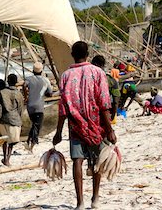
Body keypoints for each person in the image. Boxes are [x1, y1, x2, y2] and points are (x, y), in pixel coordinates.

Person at [53, 41, 116, 210]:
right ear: (87, 54)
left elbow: (63, 107)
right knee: (97, 160)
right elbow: (104, 103)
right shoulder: (98, 72)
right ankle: (95, 199)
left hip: (75, 126)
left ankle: (80, 202)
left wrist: (58, 132)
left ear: (72, 55)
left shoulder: (65, 76)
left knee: (77, 162)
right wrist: (109, 129)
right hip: (97, 125)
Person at [0, 74, 24, 166]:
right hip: (15, 119)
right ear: (16, 82)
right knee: (12, 142)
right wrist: (19, 118)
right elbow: (20, 108)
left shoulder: (2, 92)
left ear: (8, 81)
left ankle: (5, 158)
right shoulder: (19, 94)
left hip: (4, 119)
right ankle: (7, 159)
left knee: (5, 140)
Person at [23, 62, 52, 152]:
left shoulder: (29, 79)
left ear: (33, 70)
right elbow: (49, 93)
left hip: (30, 105)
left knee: (34, 124)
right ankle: (32, 144)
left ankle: (28, 141)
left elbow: (24, 85)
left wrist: (26, 96)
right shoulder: (45, 80)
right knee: (37, 126)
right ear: (42, 71)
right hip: (39, 106)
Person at [91, 55, 120, 122]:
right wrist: (114, 112)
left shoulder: (87, 78)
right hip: (105, 111)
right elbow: (116, 98)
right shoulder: (110, 79)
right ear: (103, 65)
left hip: (90, 112)